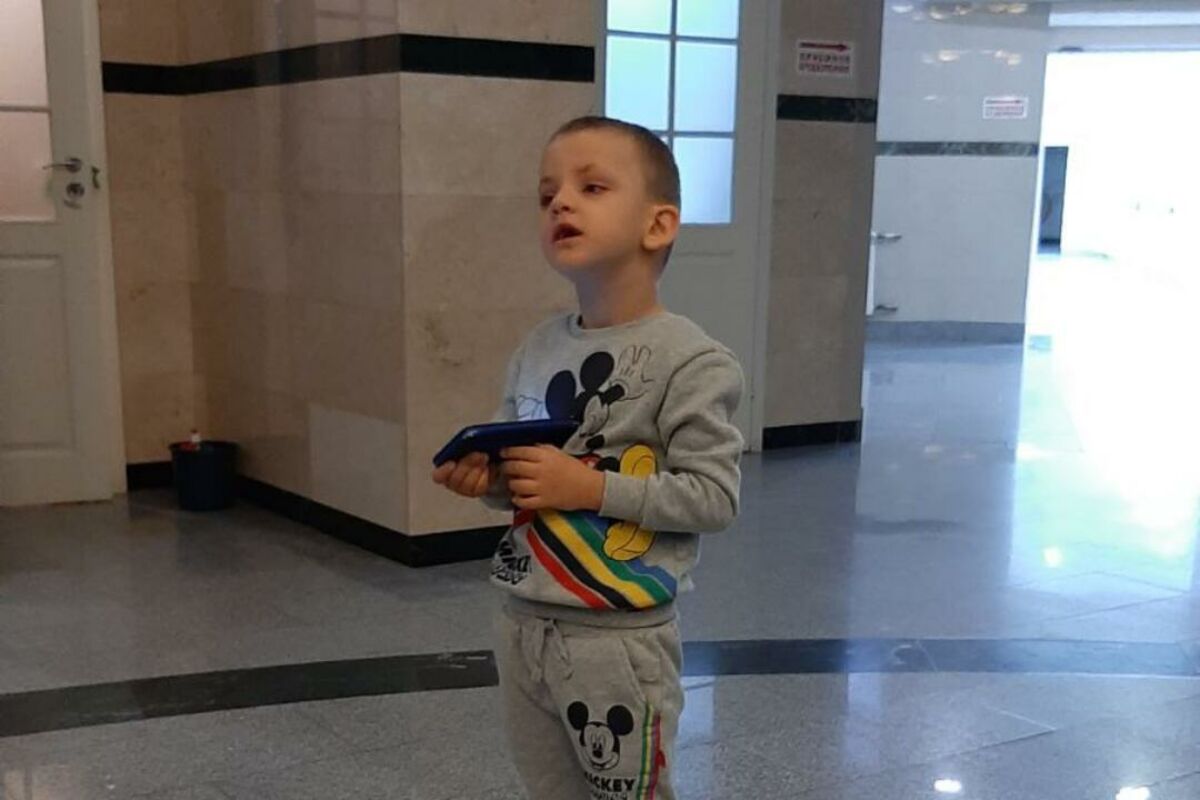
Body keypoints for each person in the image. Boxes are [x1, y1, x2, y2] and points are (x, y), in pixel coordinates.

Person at [432, 115, 744, 800]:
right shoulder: (538, 347)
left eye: (591, 187)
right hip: (524, 621)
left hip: (619, 638)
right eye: (548, 195)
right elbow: (528, 478)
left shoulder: (692, 361)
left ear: (658, 225)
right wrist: (489, 480)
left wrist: (588, 488)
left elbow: (714, 497)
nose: (561, 204)